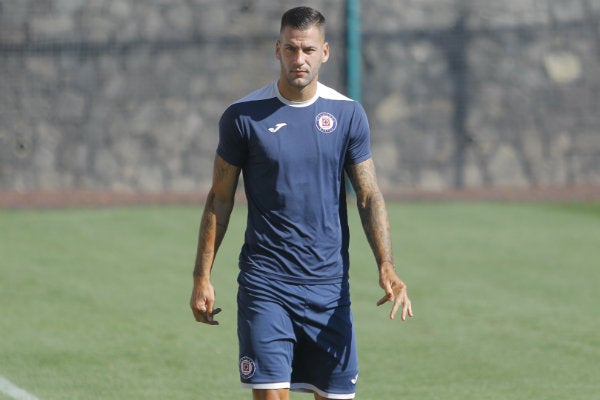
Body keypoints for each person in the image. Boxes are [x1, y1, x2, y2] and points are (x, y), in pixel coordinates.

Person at [190, 6, 413, 400]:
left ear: (324, 52)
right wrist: (201, 277)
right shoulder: (243, 116)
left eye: (308, 50)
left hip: (329, 290)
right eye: (291, 49)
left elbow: (368, 195)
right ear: (278, 50)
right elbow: (219, 198)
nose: (299, 59)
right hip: (266, 285)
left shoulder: (347, 115)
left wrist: (387, 265)